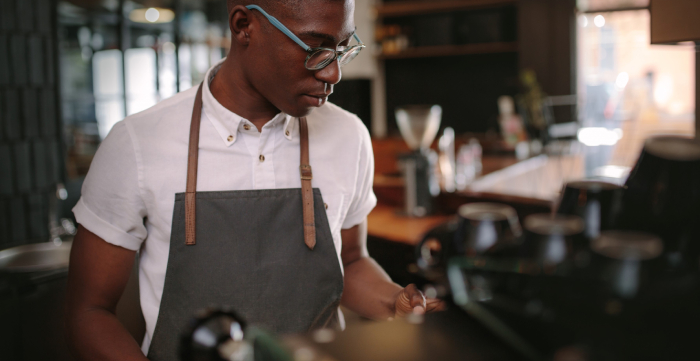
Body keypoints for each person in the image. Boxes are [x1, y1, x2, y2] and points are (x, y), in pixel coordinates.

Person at [65, 1, 440, 360]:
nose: (333, 73)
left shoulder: (349, 135)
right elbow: (89, 311)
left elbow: (353, 261)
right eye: (315, 49)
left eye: (343, 48)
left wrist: (394, 302)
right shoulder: (138, 142)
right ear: (245, 26)